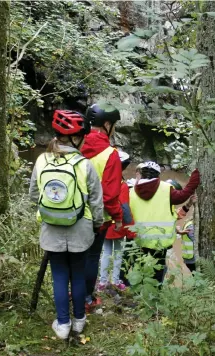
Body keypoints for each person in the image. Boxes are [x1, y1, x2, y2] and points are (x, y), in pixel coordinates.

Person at [29, 110, 104, 339]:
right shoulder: (84, 164)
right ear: (74, 138)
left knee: (59, 275)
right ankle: (79, 320)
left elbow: (34, 195)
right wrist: (97, 224)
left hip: (51, 228)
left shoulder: (42, 160)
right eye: (81, 135)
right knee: (78, 275)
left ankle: (62, 325)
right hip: (80, 228)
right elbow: (96, 201)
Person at [80, 103, 123, 312]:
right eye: (113, 125)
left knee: (75, 257)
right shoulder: (110, 154)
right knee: (91, 257)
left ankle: (73, 292)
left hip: (72, 213)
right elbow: (110, 196)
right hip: (98, 218)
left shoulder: (75, 146)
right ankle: (86, 298)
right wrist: (118, 217)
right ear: (106, 124)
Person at [129, 161, 200, 285]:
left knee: (140, 266)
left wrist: (187, 206)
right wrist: (195, 176)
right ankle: (155, 295)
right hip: (160, 241)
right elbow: (182, 196)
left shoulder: (131, 191)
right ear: (158, 175)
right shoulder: (165, 189)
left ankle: (139, 291)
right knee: (159, 269)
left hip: (139, 239)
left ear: (142, 174)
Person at [98, 151, 135, 292]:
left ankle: (102, 282)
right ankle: (115, 280)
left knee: (105, 252)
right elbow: (124, 207)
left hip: (105, 223)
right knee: (118, 253)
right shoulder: (122, 185)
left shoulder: (105, 180)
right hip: (117, 225)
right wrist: (129, 227)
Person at [168, 179, 198, 273]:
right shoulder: (158, 205)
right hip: (158, 247)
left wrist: (189, 204)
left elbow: (174, 216)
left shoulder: (168, 205)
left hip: (166, 246)